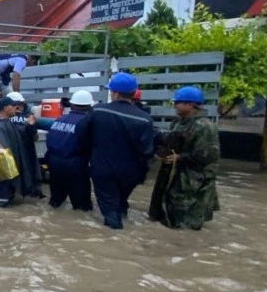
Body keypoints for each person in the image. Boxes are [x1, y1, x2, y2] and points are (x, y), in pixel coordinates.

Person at [76, 72, 154, 229]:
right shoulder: (145, 118)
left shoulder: (98, 111)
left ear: (116, 93)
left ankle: (115, 235)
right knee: (121, 201)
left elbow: (80, 134)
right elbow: (146, 151)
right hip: (131, 172)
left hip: (103, 169)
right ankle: (123, 219)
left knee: (110, 209)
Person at [158, 86, 220, 230]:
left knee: (189, 222)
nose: (174, 106)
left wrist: (178, 158)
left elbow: (205, 155)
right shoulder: (178, 123)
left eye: (177, 103)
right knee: (172, 213)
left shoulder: (205, 127)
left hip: (197, 182)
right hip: (178, 178)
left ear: (190, 104)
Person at [0, 97, 42, 207]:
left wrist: (29, 125)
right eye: (13, 106)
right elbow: (2, 153)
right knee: (2, 201)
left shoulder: (6, 122)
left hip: (9, 172)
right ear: (5, 108)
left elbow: (18, 134)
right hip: (3, 175)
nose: (15, 108)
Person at [46, 90, 94, 211]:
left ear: (72, 105)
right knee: (82, 207)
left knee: (55, 203)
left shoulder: (60, 119)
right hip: (76, 164)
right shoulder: (87, 122)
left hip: (54, 163)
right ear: (90, 106)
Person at [5, 92, 44, 198]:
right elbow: (35, 137)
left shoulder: (3, 119)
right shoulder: (29, 118)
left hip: (11, 152)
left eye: (20, 105)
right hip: (26, 152)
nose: (19, 107)